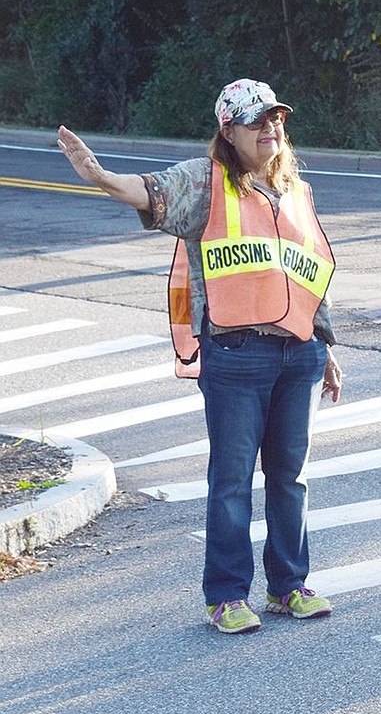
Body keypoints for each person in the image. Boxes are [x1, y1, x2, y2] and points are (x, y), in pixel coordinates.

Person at [57, 78, 343, 633]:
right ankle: (227, 595)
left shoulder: (296, 190)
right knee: (232, 478)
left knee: (290, 476)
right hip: (236, 355)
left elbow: (313, 273)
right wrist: (99, 177)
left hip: (298, 354)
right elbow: (149, 192)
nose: (270, 128)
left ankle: (289, 586)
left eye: (276, 119)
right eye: (257, 121)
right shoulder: (205, 183)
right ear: (228, 130)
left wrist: (325, 345)